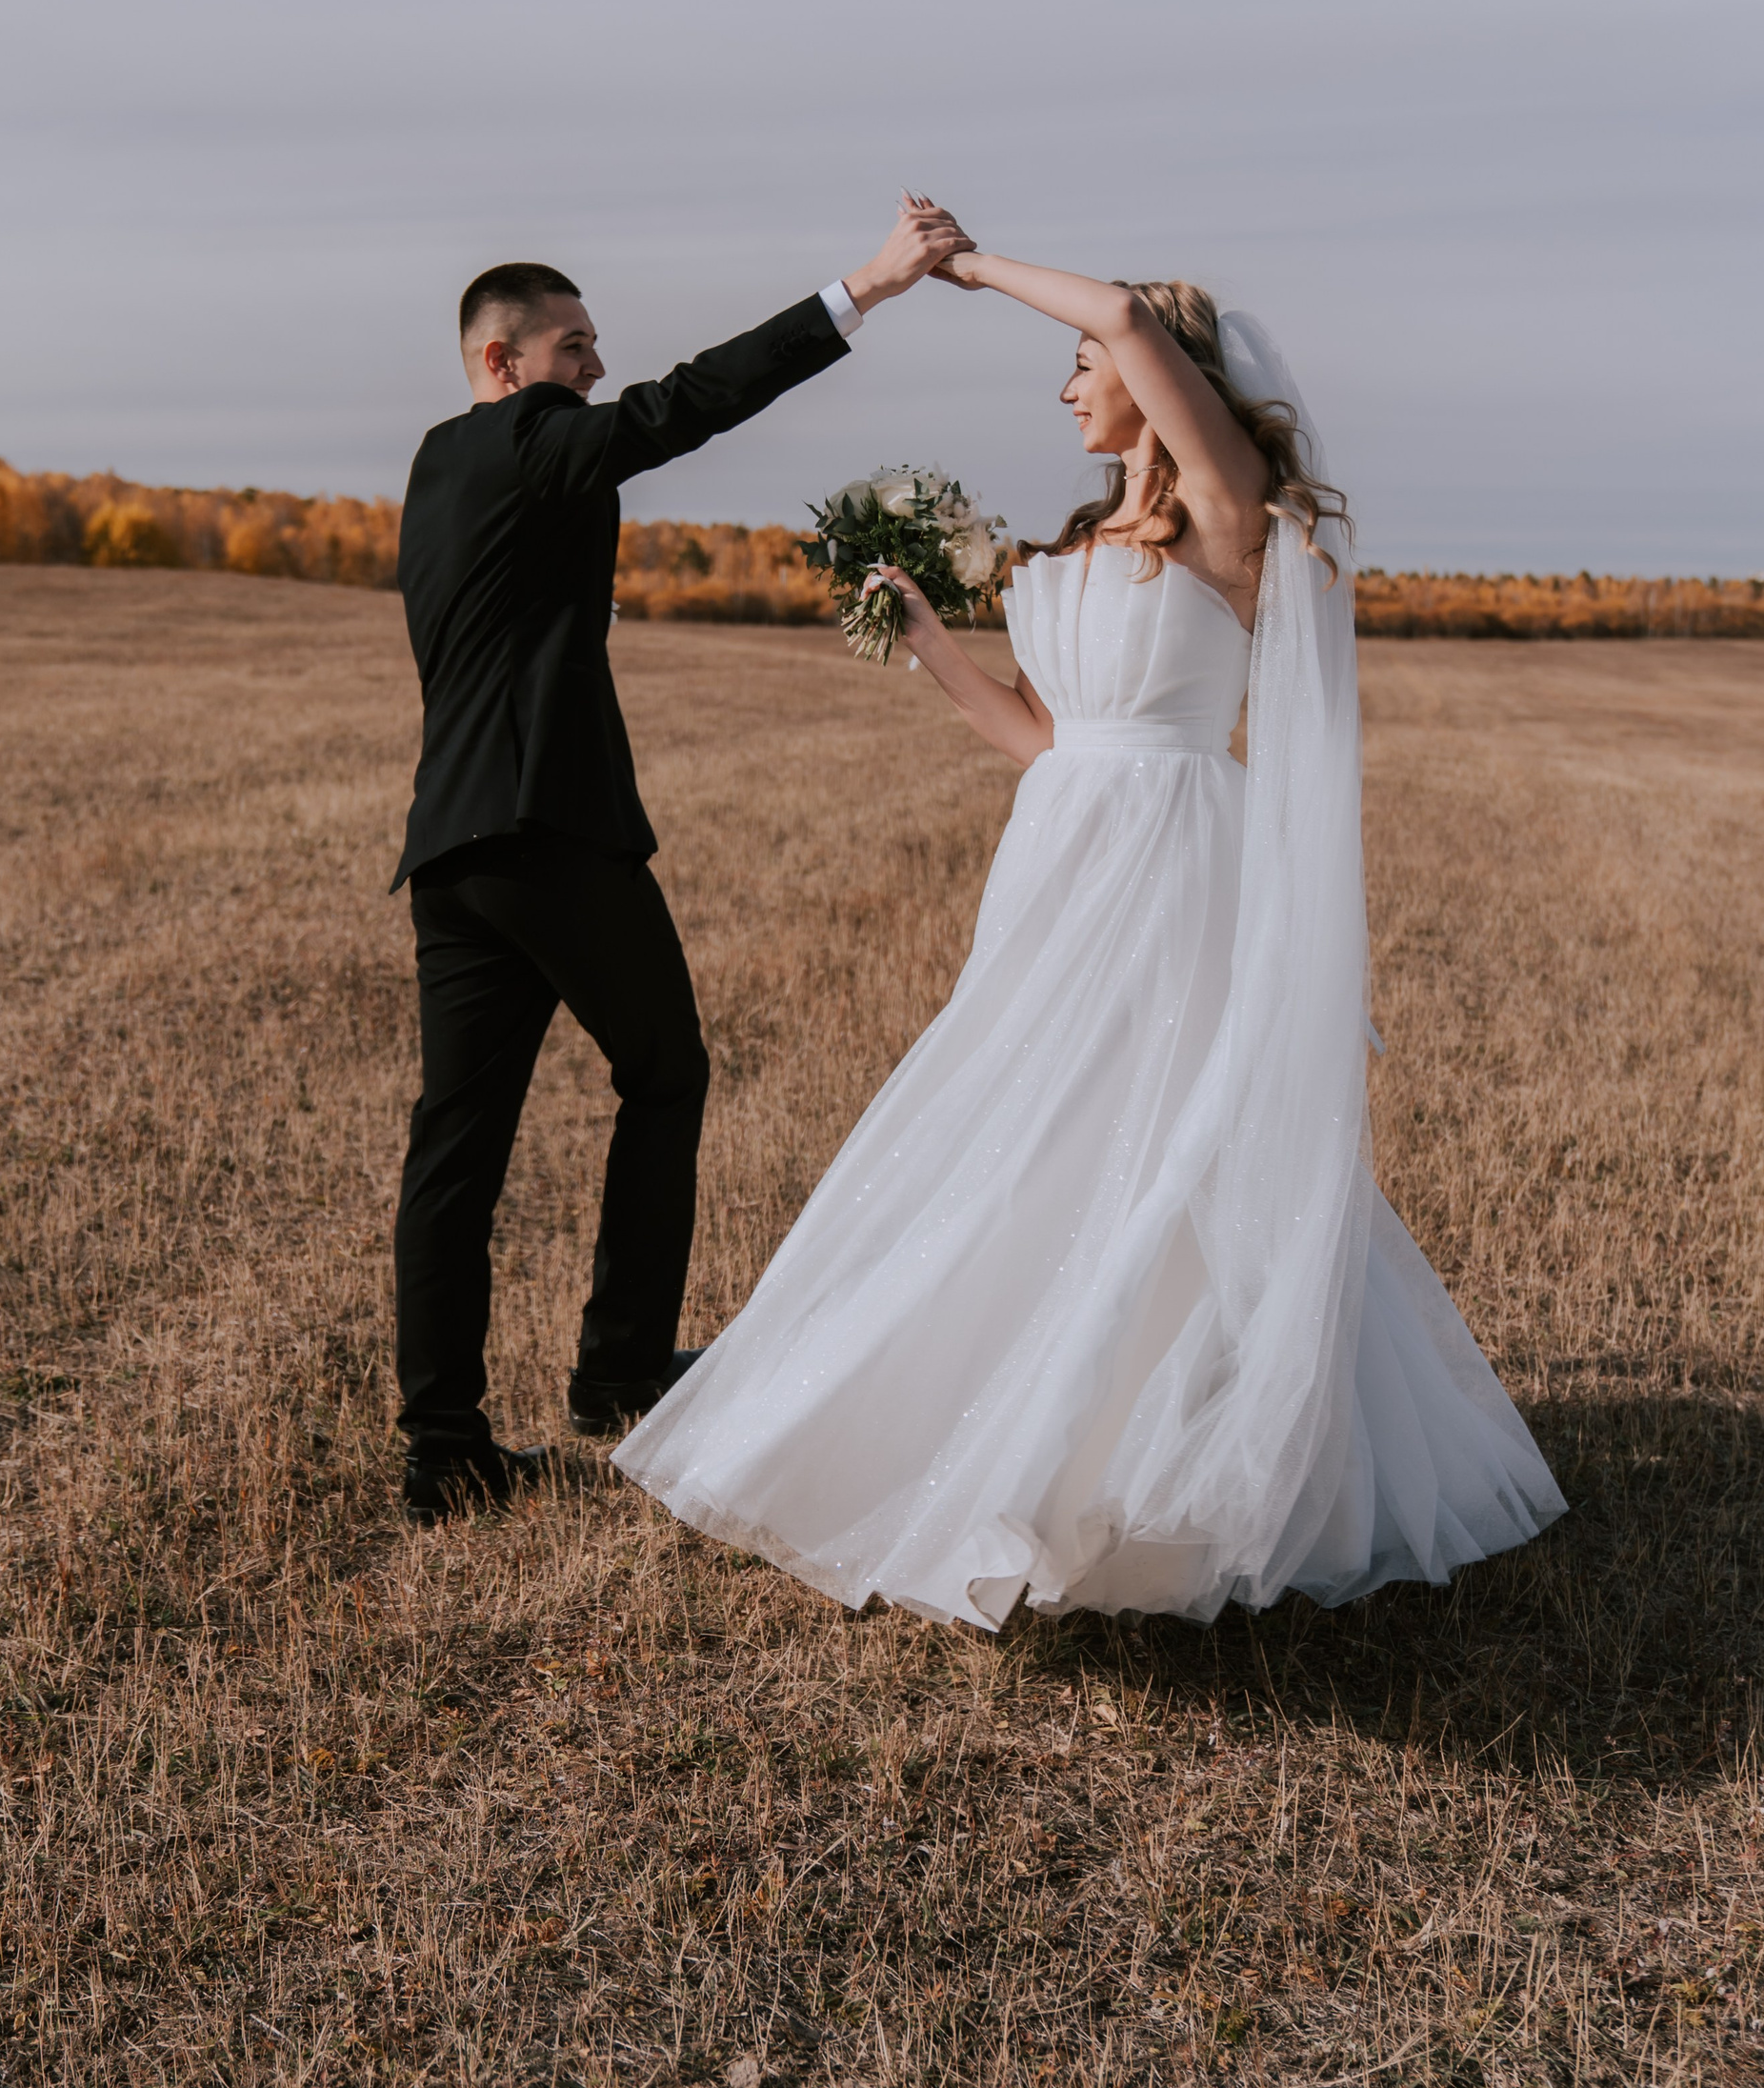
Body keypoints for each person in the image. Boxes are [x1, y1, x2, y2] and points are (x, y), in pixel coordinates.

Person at [616, 232, 1566, 1625]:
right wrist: (929, 640)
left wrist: (971, 268)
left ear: (1158, 374)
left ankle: (1173, 1466)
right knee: (1029, 1127)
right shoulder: (1070, 545)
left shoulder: (1229, 519)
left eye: (1084, 367)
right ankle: (999, 1431)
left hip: (1177, 862)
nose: (1070, 387)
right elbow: (1046, 739)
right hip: (1060, 858)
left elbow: (1120, 310)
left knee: (1169, 1135)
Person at [391, 200, 971, 1523]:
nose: (598, 366)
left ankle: (444, 1448)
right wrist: (866, 287)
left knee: (456, 1146)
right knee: (667, 1073)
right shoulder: (533, 437)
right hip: (551, 833)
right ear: (502, 361)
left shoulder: (439, 462)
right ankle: (619, 1372)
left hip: (454, 850)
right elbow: (685, 406)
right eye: (575, 346)